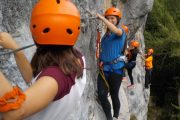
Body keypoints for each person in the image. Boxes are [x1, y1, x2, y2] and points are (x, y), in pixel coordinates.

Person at [0, 0, 86, 120]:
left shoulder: (56, 77)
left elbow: (14, 112)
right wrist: (16, 49)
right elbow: (34, 80)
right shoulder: (77, 58)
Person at [96, 7, 126, 120]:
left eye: (112, 18)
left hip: (116, 69)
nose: (110, 20)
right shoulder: (106, 36)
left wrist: (103, 19)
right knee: (102, 95)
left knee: (114, 95)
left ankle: (116, 116)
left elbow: (115, 30)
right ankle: (109, 117)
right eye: (109, 18)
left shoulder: (120, 31)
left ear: (118, 19)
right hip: (104, 69)